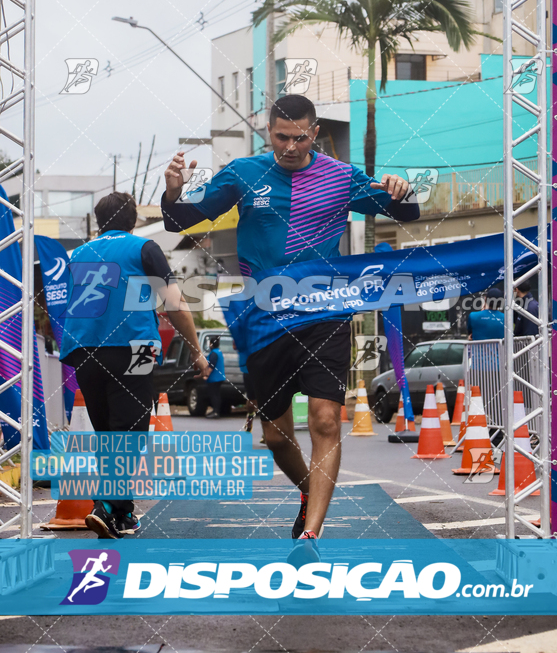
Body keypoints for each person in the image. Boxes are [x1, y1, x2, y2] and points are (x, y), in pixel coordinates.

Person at [162, 94, 419, 552]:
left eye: (300, 138)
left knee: (324, 420)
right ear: (268, 132)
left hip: (326, 313)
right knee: (277, 437)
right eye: (281, 137)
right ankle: (307, 487)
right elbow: (181, 220)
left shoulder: (341, 177)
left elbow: (405, 214)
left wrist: (403, 189)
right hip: (264, 318)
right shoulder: (243, 173)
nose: (290, 147)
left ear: (314, 133)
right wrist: (173, 191)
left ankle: (310, 534)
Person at [60, 191, 209, 540]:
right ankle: (107, 506)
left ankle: (120, 514)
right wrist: (196, 350)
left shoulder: (78, 254)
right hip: (136, 348)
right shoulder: (143, 249)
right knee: (130, 432)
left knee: (109, 433)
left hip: (85, 350)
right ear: (135, 220)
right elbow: (175, 303)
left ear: (99, 221)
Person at [206, 334, 225, 419]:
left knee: (214, 395)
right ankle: (216, 411)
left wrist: (206, 375)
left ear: (211, 344)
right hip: (220, 377)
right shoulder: (219, 352)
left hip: (214, 378)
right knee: (217, 394)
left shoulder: (214, 353)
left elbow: (211, 366)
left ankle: (216, 411)